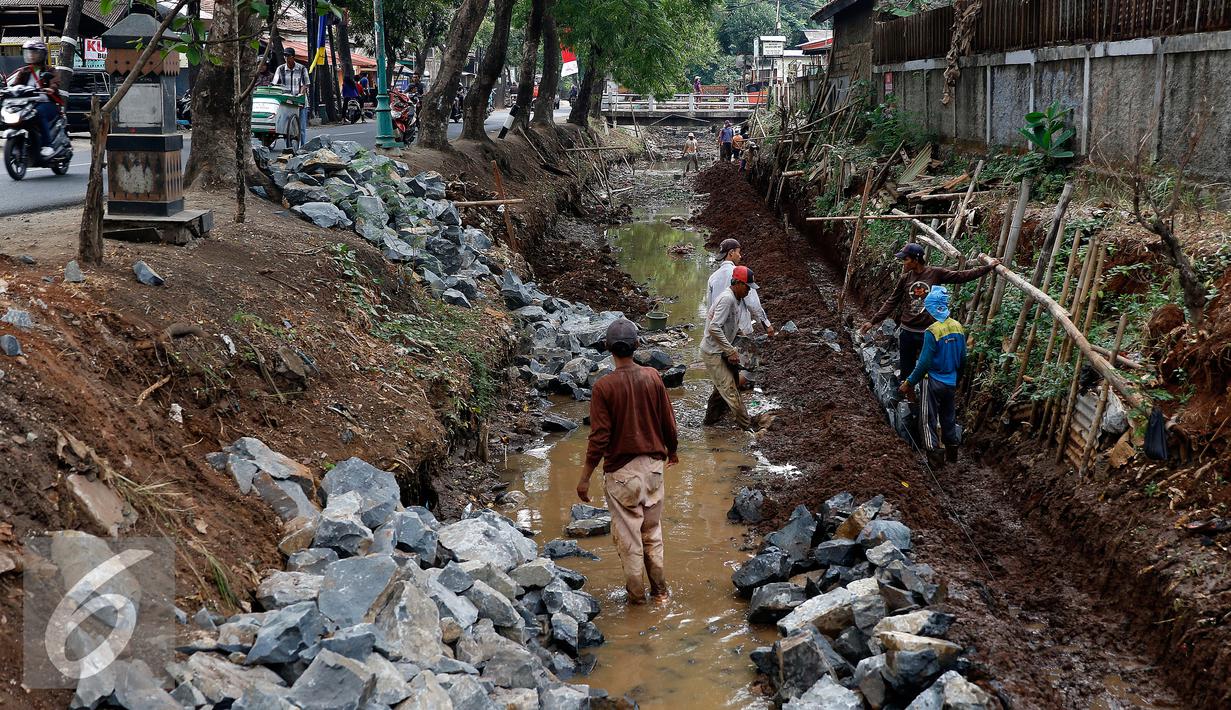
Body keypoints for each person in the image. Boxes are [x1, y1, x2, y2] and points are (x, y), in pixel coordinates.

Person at [578, 318, 678, 603]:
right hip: (653, 470)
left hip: (621, 474)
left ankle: (636, 601)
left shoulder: (603, 388)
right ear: (637, 346)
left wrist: (585, 477)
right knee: (652, 534)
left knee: (630, 541)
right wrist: (672, 451)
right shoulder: (653, 377)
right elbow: (668, 423)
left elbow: (599, 438)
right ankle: (660, 594)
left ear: (608, 348)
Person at [860, 243, 998, 382]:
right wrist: (873, 321)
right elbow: (891, 302)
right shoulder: (905, 279)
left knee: (930, 367)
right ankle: (907, 399)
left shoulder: (935, 274)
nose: (903, 263)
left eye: (905, 259)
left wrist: (987, 268)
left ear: (916, 259)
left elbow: (960, 276)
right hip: (907, 331)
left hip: (928, 332)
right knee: (906, 369)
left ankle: (927, 396)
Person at [898, 286, 965, 463]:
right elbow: (963, 358)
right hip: (951, 380)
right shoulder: (958, 327)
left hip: (933, 380)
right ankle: (952, 452)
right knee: (949, 416)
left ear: (932, 308)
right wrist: (956, 379)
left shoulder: (932, 331)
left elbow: (924, 363)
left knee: (927, 419)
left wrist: (909, 382)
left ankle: (934, 456)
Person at [702, 265, 761, 431]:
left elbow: (731, 325)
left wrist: (741, 340)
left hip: (723, 350)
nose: (749, 291)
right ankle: (748, 427)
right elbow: (714, 328)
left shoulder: (737, 298)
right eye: (748, 288)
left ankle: (710, 422)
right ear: (739, 284)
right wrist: (730, 351)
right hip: (713, 352)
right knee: (731, 391)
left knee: (727, 386)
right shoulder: (727, 299)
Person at [5, 40, 63, 158]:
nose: (31, 55)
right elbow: (15, 86)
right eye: (29, 52)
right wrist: (7, 91)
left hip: (48, 103)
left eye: (34, 52)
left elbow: (55, 82)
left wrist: (51, 88)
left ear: (42, 54)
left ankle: (48, 145)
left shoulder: (50, 70)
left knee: (38, 113)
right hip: (28, 103)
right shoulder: (24, 71)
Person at [706, 238, 773, 338]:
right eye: (738, 252)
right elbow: (753, 304)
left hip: (722, 332)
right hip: (740, 330)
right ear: (731, 253)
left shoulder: (713, 278)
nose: (740, 256)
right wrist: (767, 324)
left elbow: (710, 308)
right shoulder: (740, 274)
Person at [272, 47, 310, 145]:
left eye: (288, 56)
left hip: (300, 101)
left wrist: (300, 95)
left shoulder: (302, 68)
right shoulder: (280, 69)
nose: (286, 58)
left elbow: (305, 85)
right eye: (285, 55)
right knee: (286, 126)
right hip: (286, 102)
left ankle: (303, 146)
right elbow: (274, 83)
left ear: (293, 57)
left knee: (301, 127)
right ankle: (288, 146)